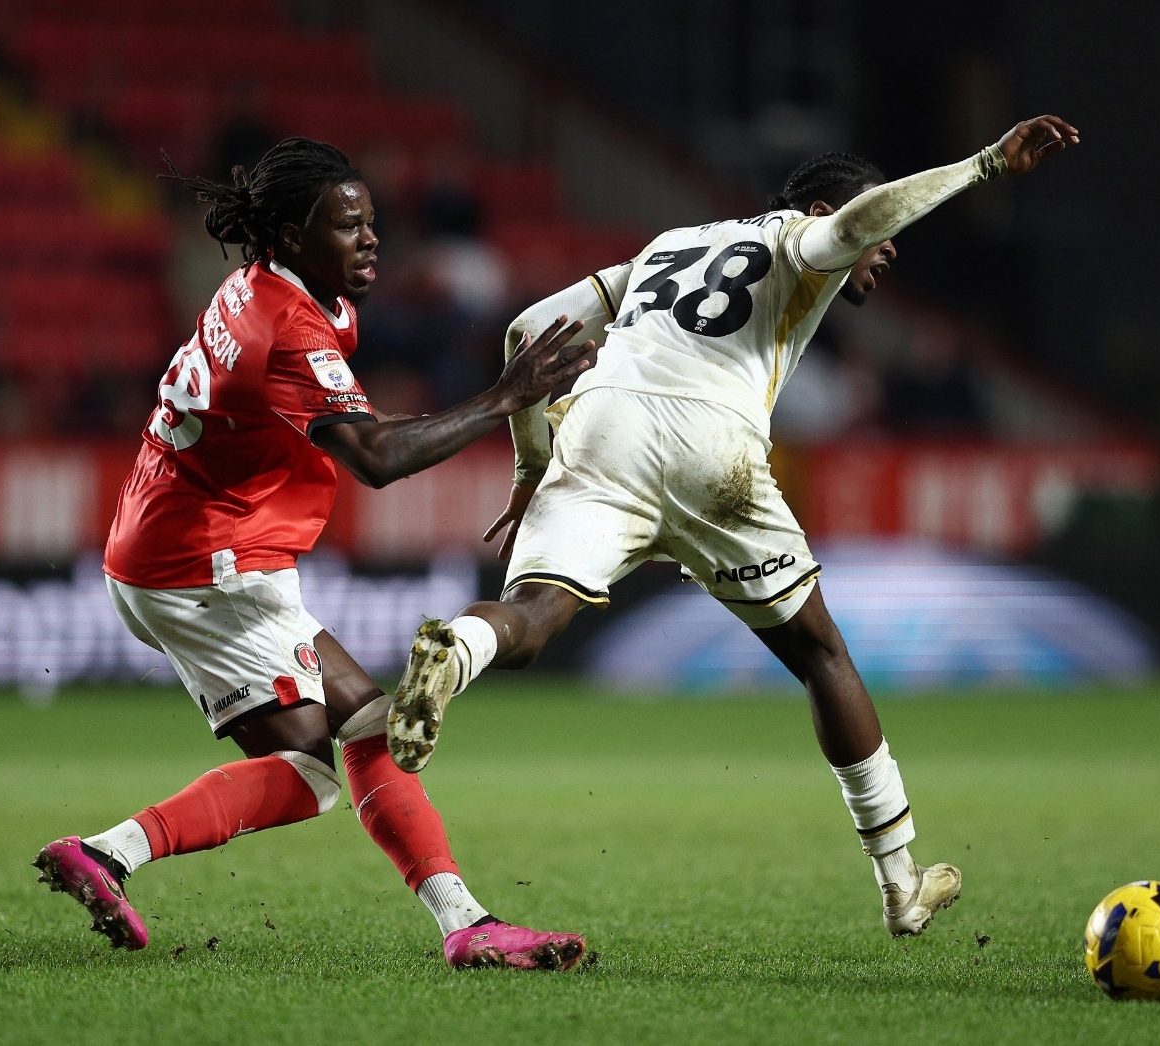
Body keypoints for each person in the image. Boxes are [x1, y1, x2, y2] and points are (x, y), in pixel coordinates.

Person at [386, 116, 1080, 937]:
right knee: (820, 654)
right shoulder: (799, 239)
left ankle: (456, 651)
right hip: (709, 443)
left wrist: (532, 465)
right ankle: (900, 882)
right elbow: (857, 224)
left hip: (598, 428)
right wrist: (984, 165)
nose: (888, 245)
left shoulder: (668, 245)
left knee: (531, 618)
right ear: (821, 209)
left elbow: (526, 328)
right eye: (880, 229)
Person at [33, 137, 596, 971]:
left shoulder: (267, 286)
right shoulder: (292, 325)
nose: (370, 239)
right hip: (212, 564)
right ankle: (109, 852)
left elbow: (348, 428)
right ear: (294, 235)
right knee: (312, 771)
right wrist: (503, 397)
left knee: (361, 728)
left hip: (177, 549)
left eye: (370, 222)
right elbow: (374, 459)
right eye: (346, 226)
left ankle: (464, 922)